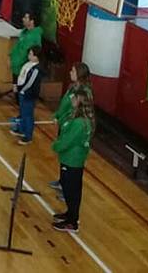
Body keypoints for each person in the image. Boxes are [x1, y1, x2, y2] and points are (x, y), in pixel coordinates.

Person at [52, 91, 95, 233]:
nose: (72, 100)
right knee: (69, 188)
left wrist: (56, 146)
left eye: (75, 98)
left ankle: (72, 221)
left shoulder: (79, 123)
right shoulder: (79, 119)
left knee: (71, 190)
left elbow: (68, 140)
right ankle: (70, 214)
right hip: (71, 158)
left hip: (72, 160)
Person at [50, 63, 94, 192]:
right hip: (65, 124)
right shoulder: (72, 87)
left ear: (79, 74)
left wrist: (63, 120)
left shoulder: (84, 92)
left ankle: (66, 188)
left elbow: (74, 110)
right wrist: (57, 115)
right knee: (64, 156)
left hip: (71, 125)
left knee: (69, 154)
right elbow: (64, 104)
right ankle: (62, 181)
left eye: (73, 71)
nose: (70, 72)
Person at [12, 45, 43, 145]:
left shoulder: (36, 69)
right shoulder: (28, 64)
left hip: (28, 94)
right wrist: (17, 85)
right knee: (23, 112)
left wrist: (20, 88)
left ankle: (28, 136)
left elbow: (30, 83)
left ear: (36, 57)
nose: (29, 55)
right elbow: (22, 76)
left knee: (28, 115)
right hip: (22, 92)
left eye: (31, 54)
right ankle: (22, 129)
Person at [9, 12, 43, 83]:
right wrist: (11, 55)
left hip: (22, 69)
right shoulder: (24, 32)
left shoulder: (33, 37)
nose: (23, 19)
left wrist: (15, 63)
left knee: (19, 87)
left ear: (32, 21)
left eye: (26, 18)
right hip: (16, 66)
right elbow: (18, 46)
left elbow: (25, 53)